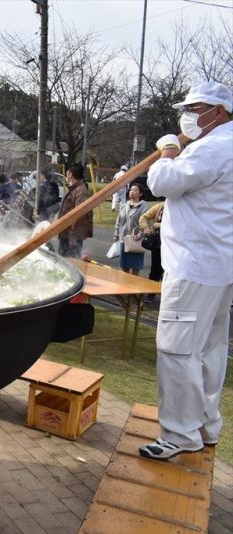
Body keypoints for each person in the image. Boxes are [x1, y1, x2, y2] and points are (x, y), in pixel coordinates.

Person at [138, 81, 233, 461]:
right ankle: (206, 425)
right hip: (218, 266)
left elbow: (163, 182)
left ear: (219, 112)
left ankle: (179, 435)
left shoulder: (214, 148)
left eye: (196, 109)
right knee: (209, 348)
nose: (189, 117)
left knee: (176, 349)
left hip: (194, 266)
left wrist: (170, 149)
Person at [56, 163, 92, 258]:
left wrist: (73, 236)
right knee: (62, 261)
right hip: (65, 232)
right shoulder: (74, 188)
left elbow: (80, 214)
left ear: (70, 174)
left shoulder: (81, 190)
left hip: (72, 235)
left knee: (70, 262)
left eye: (67, 172)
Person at [112, 182, 148, 275]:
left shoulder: (144, 206)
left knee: (135, 268)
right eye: (131, 190)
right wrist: (116, 233)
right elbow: (119, 220)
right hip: (124, 239)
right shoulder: (124, 205)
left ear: (141, 193)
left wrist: (140, 235)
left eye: (135, 190)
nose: (132, 192)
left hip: (137, 240)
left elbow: (147, 223)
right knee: (124, 267)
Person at [139, 201, 164, 303]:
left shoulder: (181, 208)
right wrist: (146, 228)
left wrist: (160, 225)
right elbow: (143, 218)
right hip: (158, 244)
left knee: (171, 272)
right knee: (155, 270)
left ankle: (167, 295)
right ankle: (150, 293)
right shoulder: (160, 206)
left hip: (175, 246)